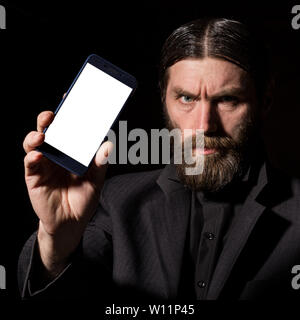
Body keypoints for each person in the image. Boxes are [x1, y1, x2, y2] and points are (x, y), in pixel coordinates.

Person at [19, 17, 300, 300]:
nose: (204, 125)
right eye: (187, 99)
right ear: (164, 99)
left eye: (227, 100)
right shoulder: (117, 201)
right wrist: (55, 242)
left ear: (265, 101)